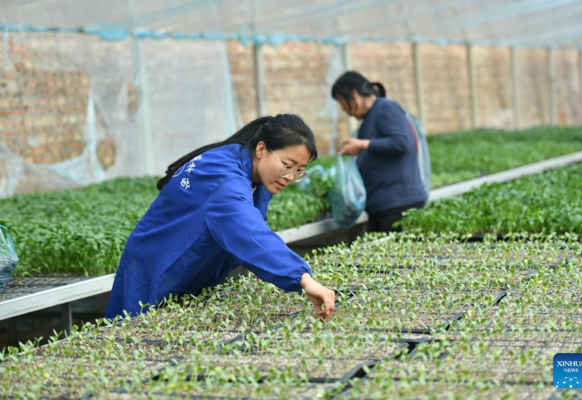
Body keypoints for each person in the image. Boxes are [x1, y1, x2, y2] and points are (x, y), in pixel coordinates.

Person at [105, 115, 335, 321]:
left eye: (298, 171)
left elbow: (246, 225)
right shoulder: (226, 180)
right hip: (154, 271)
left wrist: (261, 262)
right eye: (287, 165)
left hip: (179, 266)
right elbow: (247, 232)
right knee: (134, 340)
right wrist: (303, 278)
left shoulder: (246, 165)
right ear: (261, 149)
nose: (290, 176)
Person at [332, 71, 428, 233]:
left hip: (399, 207)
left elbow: (401, 142)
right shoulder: (369, 118)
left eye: (342, 102)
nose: (345, 110)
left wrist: (362, 144)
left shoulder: (385, 108)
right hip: (384, 208)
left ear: (353, 94)